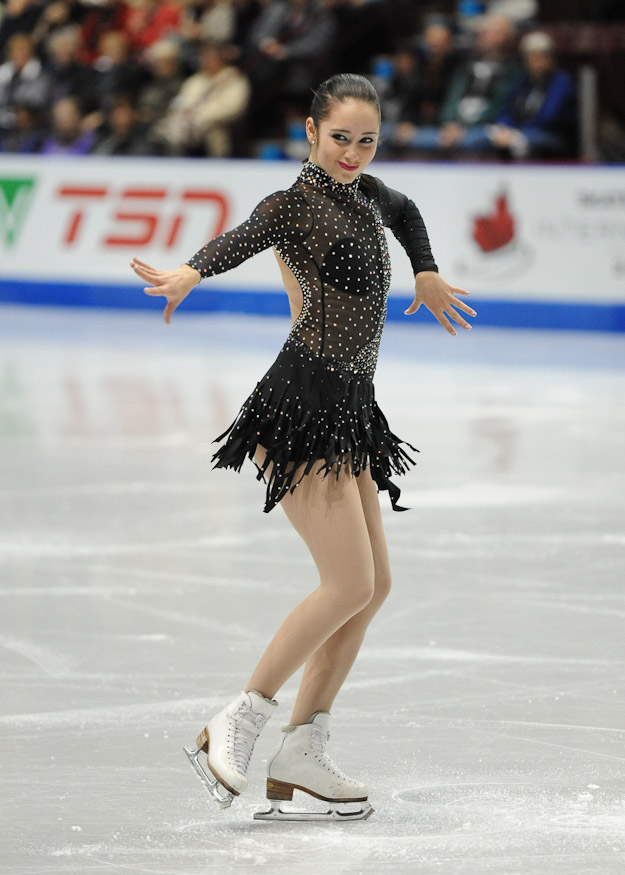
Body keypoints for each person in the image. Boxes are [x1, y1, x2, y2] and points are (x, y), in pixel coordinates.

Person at [130, 73, 475, 822]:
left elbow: (408, 211)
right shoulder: (292, 204)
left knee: (372, 585)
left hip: (350, 409)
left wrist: (426, 268)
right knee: (347, 583)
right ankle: (238, 720)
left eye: (366, 140)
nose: (352, 151)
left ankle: (299, 753)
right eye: (340, 137)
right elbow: (240, 238)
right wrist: (192, 268)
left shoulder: (368, 195)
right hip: (299, 406)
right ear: (311, 132)